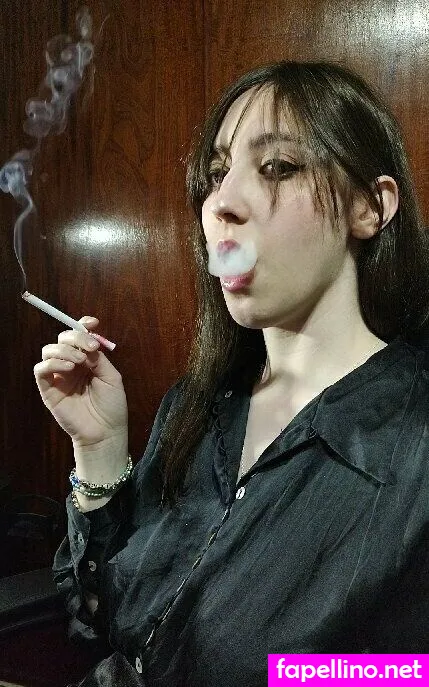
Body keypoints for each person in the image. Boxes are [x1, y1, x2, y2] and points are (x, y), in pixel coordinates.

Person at [34, 60, 429, 686]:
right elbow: (101, 621)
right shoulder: (197, 407)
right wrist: (101, 451)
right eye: (217, 174)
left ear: (370, 207)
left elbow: (405, 672)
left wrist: (295, 673)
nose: (221, 202)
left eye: (279, 166)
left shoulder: (414, 446)